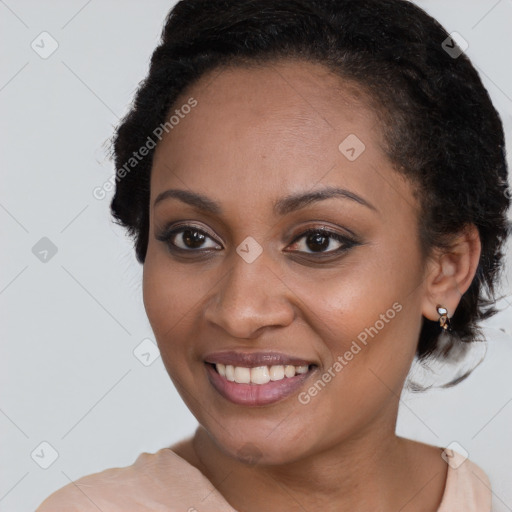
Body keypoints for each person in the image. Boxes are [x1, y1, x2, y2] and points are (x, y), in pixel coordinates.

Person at [36, 0, 510, 510]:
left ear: (446, 267)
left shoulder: (474, 494)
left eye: (318, 241)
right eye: (192, 238)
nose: (240, 312)